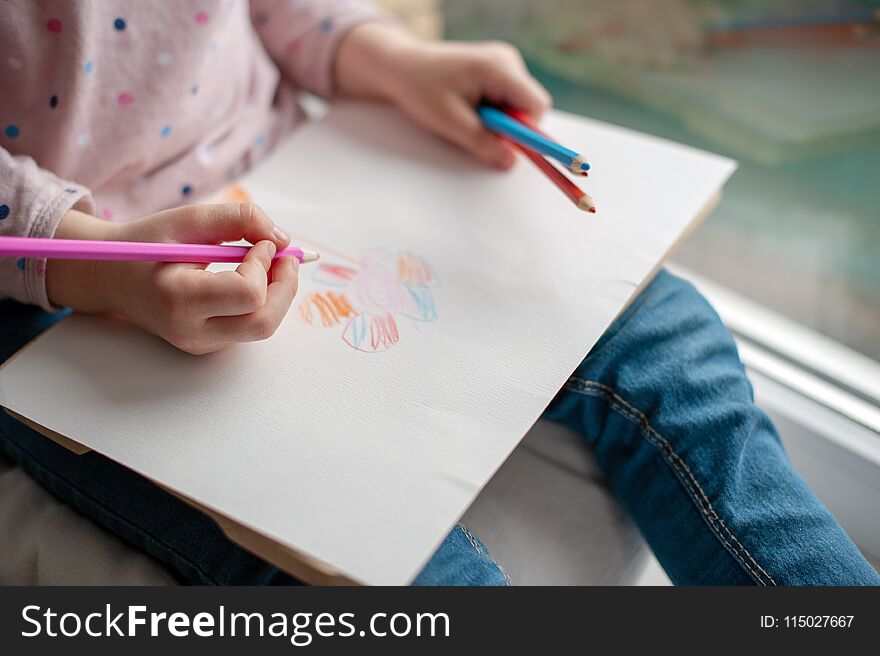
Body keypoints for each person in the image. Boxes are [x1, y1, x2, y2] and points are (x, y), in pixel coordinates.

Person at [1, 1, 876, 586]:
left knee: (667, 342)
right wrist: (91, 257)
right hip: (53, 289)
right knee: (383, 564)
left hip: (294, 172)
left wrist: (393, 61)